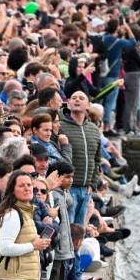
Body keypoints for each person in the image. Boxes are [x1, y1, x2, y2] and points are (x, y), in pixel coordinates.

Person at [58, 91, 101, 225]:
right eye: (74, 97)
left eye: (81, 98)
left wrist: (92, 184)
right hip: (68, 188)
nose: (77, 100)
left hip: (86, 189)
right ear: (69, 103)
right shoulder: (60, 126)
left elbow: (97, 160)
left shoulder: (94, 129)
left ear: (87, 105)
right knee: (68, 228)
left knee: (80, 230)